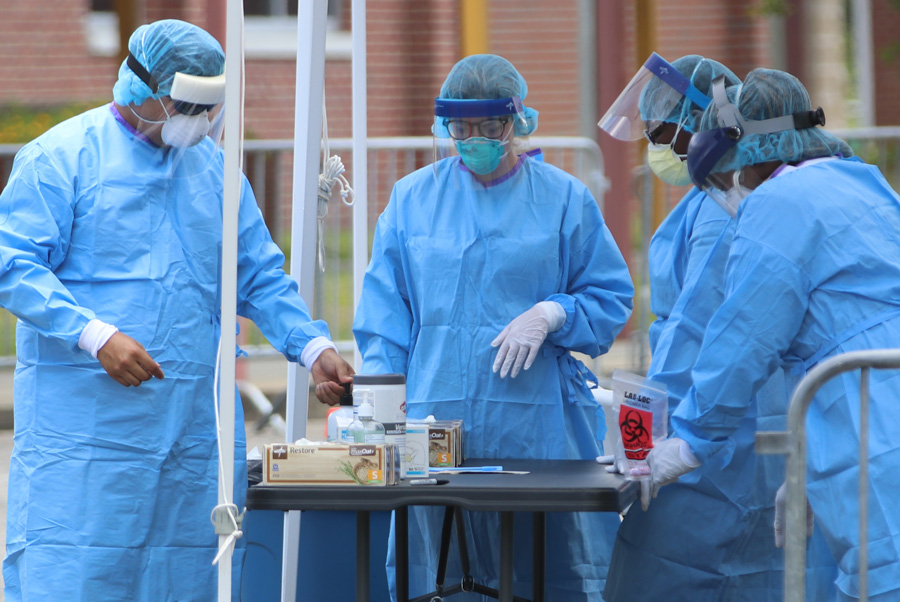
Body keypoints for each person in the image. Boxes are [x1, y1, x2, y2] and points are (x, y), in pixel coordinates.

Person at [0, 19, 353, 601]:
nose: (197, 121)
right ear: (138, 86)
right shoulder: (61, 159)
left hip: (192, 432)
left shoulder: (214, 172)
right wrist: (93, 334)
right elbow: (13, 264)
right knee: (80, 571)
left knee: (189, 572)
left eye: (207, 109)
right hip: (88, 436)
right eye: (184, 106)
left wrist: (312, 347)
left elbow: (258, 275)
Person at [352, 54, 634, 601]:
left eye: (489, 126)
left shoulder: (563, 199)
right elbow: (385, 317)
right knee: (439, 572)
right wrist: (380, 412)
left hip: (538, 425)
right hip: (433, 423)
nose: (474, 139)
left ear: (517, 121)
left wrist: (554, 313)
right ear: (444, 126)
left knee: (549, 567)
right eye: (461, 128)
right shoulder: (412, 200)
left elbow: (609, 296)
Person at [646, 67, 900, 601]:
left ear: (752, 150)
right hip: (875, 395)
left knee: (885, 574)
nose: (730, 193)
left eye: (725, 178)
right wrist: (806, 464)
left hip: (871, 420)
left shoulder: (779, 202)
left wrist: (691, 438)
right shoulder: (861, 181)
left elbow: (745, 335)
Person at [598, 56, 838, 601]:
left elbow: (700, 328)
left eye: (662, 133)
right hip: (739, 412)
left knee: (681, 567)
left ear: (701, 120)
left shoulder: (720, 208)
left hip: (719, 422)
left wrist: (657, 434)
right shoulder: (714, 198)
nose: (655, 147)